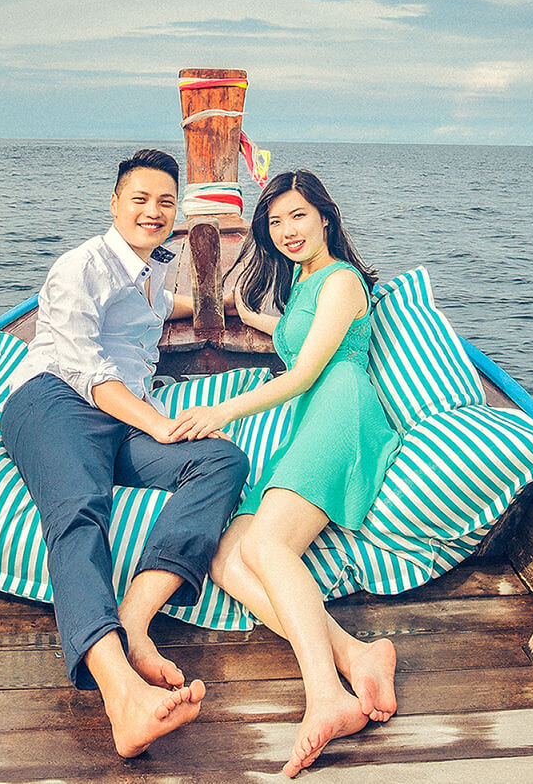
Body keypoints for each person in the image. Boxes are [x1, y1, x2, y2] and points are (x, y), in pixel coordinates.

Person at [0, 148, 251, 758]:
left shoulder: (155, 270)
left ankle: (137, 620)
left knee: (221, 459)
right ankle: (121, 696)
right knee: (80, 510)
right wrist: (160, 426)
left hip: (121, 420)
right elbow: (86, 372)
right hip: (54, 402)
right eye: (139, 199)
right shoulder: (78, 266)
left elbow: (168, 311)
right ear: (114, 203)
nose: (153, 212)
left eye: (166, 202)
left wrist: (245, 309)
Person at [166, 169, 403, 777]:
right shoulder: (306, 281)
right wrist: (249, 312)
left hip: (341, 409)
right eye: (275, 222)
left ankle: (326, 696)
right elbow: (301, 338)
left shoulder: (344, 279)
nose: (287, 230)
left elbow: (302, 374)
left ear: (326, 215)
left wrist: (218, 411)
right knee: (224, 556)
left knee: (268, 545)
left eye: (298, 215)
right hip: (311, 414)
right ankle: (356, 655)